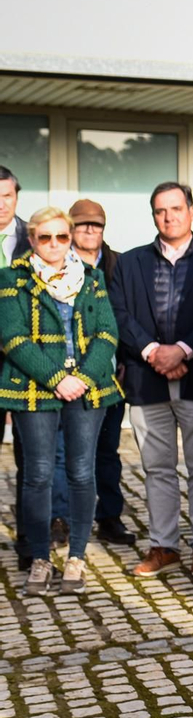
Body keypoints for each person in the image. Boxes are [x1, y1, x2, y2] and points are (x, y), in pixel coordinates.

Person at [110, 183, 193, 578]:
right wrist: (154, 352)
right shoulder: (129, 263)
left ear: (191, 211)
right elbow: (119, 314)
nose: (169, 217)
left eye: (176, 208)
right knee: (157, 467)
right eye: (161, 211)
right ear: (153, 216)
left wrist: (182, 350)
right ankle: (163, 545)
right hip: (147, 379)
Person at [0, 206, 122, 595]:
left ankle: (76, 558)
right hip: (34, 387)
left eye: (62, 236)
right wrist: (56, 379)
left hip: (88, 387)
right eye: (45, 237)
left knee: (82, 472)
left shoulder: (92, 277)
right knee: (37, 474)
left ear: (70, 238)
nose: (54, 244)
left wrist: (82, 378)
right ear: (32, 240)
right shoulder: (12, 279)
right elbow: (12, 338)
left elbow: (107, 333)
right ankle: (40, 557)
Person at [61, 199, 134, 546]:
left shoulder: (120, 264)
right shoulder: (58, 263)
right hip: (68, 379)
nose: (90, 229)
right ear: (71, 228)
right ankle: (61, 519)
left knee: (107, 451)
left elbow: (130, 317)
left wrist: (127, 361)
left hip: (110, 377)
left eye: (97, 224)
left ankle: (109, 518)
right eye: (83, 224)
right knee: (66, 453)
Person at [1, 165, 33, 569]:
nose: (0, 204)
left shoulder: (37, 237)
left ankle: (30, 540)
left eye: (6, 196)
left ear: (16, 197)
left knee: (32, 460)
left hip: (27, 366)